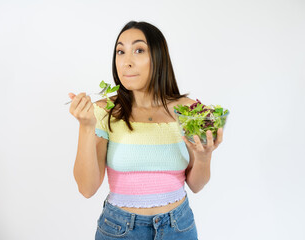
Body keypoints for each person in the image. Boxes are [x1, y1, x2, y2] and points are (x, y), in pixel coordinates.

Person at [68, 21, 224, 240]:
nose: (126, 62)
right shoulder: (105, 110)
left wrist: (204, 156)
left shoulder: (187, 110)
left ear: (159, 58)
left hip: (179, 228)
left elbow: (196, 185)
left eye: (139, 50)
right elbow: (87, 188)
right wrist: (86, 127)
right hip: (119, 230)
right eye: (120, 51)